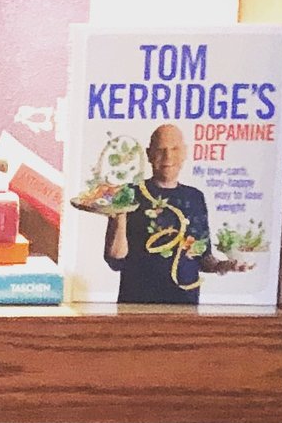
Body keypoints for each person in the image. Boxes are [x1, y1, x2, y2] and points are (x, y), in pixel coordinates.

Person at [97, 123, 248, 307]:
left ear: (185, 153)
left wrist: (223, 266)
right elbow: (115, 260)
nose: (168, 157)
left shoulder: (195, 198)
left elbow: (203, 256)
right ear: (149, 154)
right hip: (137, 304)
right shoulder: (129, 194)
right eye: (161, 150)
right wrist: (119, 216)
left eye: (175, 149)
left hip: (185, 305)